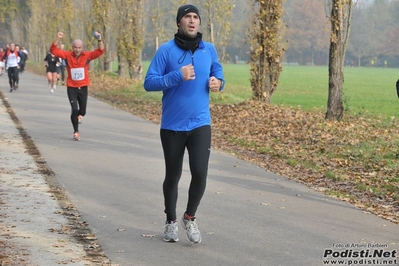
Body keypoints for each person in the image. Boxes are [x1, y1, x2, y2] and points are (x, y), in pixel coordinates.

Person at [144, 4, 225, 244]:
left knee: (200, 173)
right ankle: (170, 221)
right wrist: (177, 75)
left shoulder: (208, 49)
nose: (192, 21)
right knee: (174, 175)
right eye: (187, 17)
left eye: (195, 17)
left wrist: (218, 82)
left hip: (200, 123)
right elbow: (149, 82)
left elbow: (218, 72)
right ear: (179, 22)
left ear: (199, 23)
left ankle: (189, 217)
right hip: (172, 126)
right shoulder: (166, 51)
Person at [50, 31, 105, 141]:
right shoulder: (67, 55)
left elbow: (100, 51)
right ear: (72, 47)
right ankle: (76, 131)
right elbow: (53, 50)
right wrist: (57, 38)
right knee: (74, 109)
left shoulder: (87, 56)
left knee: (82, 111)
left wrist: (99, 39)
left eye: (79, 48)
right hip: (72, 87)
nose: (77, 50)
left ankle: (80, 115)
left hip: (83, 87)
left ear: (82, 48)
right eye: (75, 47)